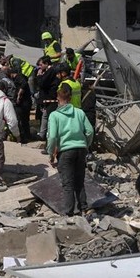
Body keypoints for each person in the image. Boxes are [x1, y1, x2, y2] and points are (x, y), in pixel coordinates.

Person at [47, 85, 94, 215]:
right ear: (71, 97)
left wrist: (51, 154)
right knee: (79, 181)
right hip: (80, 149)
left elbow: (52, 137)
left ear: (57, 98)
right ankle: (84, 207)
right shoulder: (79, 112)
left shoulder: (54, 115)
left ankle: (69, 212)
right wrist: (86, 145)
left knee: (68, 183)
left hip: (66, 151)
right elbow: (89, 131)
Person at [36, 56, 60, 140]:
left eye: (41, 64)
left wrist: (39, 76)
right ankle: (42, 134)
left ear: (46, 64)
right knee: (44, 117)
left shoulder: (50, 71)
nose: (40, 67)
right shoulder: (48, 71)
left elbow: (42, 83)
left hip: (51, 99)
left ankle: (48, 137)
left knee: (49, 119)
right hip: (47, 100)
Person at [8, 67, 32, 143]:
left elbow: (23, 84)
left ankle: (24, 137)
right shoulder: (20, 78)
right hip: (25, 102)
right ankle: (26, 136)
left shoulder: (19, 78)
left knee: (21, 120)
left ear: (12, 74)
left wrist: (18, 95)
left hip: (23, 103)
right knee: (24, 120)